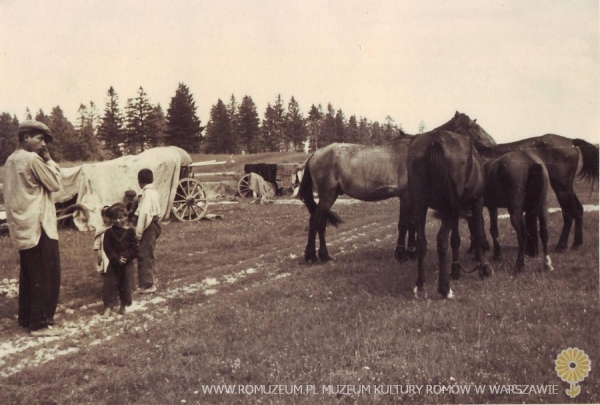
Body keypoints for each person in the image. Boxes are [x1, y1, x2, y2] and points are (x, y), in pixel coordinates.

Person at [3, 120, 62, 337]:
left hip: (20, 225)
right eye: (40, 138)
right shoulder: (32, 159)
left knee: (30, 273)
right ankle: (40, 324)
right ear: (26, 137)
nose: (43, 144)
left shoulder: (9, 161)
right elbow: (55, 184)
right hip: (39, 225)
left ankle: (27, 317)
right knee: (47, 274)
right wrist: (49, 159)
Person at [102, 203, 138, 316]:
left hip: (127, 264)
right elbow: (107, 248)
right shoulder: (108, 233)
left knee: (126, 285)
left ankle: (123, 306)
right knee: (110, 285)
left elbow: (135, 249)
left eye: (120, 217)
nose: (118, 220)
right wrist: (116, 259)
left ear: (126, 217)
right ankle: (108, 307)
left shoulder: (131, 232)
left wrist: (126, 257)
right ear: (111, 219)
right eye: (114, 218)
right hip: (114, 263)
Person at [135, 169, 161, 293]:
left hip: (149, 226)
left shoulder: (147, 194)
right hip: (154, 224)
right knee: (147, 253)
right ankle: (147, 281)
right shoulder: (153, 192)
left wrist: (138, 233)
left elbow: (145, 215)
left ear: (140, 181)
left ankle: (148, 285)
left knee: (145, 254)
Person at [93, 206, 111, 274]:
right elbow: (97, 241)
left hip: (112, 250)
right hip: (103, 250)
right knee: (104, 260)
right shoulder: (100, 229)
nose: (106, 218)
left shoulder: (114, 228)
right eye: (104, 216)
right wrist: (98, 251)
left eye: (108, 216)